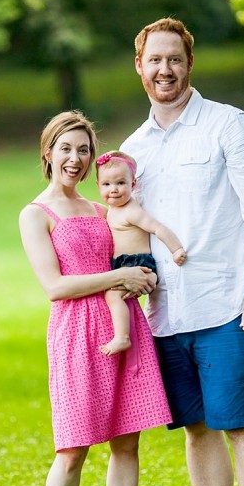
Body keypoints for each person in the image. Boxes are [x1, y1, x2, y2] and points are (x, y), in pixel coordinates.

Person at [120, 17, 244, 486]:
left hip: (227, 304)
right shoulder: (133, 150)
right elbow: (130, 229)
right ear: (139, 67)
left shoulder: (229, 126)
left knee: (243, 425)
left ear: (189, 65)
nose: (164, 69)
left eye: (175, 59)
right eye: (154, 60)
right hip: (165, 314)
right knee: (195, 429)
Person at [19, 111, 173, 486]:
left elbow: (133, 251)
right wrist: (117, 278)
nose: (75, 158)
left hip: (123, 327)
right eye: (66, 149)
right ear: (48, 154)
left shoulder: (101, 207)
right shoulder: (35, 214)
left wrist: (143, 276)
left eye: (83, 150)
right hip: (75, 335)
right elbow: (55, 286)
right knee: (72, 448)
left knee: (127, 443)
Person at [95, 150, 188, 356]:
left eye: (121, 183)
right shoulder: (111, 210)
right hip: (124, 265)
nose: (114, 190)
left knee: (112, 295)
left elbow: (157, 228)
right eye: (107, 184)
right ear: (98, 186)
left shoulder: (131, 210)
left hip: (138, 264)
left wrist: (176, 249)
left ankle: (122, 337)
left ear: (133, 185)